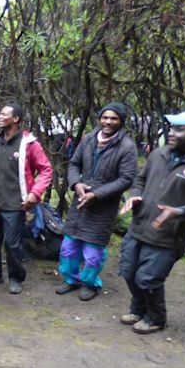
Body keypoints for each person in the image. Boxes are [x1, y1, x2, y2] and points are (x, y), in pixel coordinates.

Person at [119, 110, 185, 334]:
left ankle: (156, 318)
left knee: (148, 278)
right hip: (138, 226)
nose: (171, 132)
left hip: (169, 235)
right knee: (128, 272)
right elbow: (140, 180)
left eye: (179, 129)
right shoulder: (159, 154)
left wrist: (179, 211)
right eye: (171, 127)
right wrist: (135, 195)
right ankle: (138, 308)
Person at [56, 103, 138, 301]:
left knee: (93, 253)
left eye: (114, 118)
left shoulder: (127, 147)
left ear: (121, 121)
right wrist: (76, 183)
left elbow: (126, 179)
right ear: (100, 118)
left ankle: (90, 283)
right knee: (68, 247)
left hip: (103, 207)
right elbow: (74, 164)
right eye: (105, 117)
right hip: (79, 202)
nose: (108, 122)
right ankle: (71, 279)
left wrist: (97, 194)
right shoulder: (88, 138)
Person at [0, 105, 53, 294]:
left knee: (13, 243)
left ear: (16, 119)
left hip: (15, 204)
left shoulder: (29, 144)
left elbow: (45, 170)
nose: (0, 117)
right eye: (0, 113)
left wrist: (35, 193)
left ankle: (16, 277)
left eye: (4, 114)